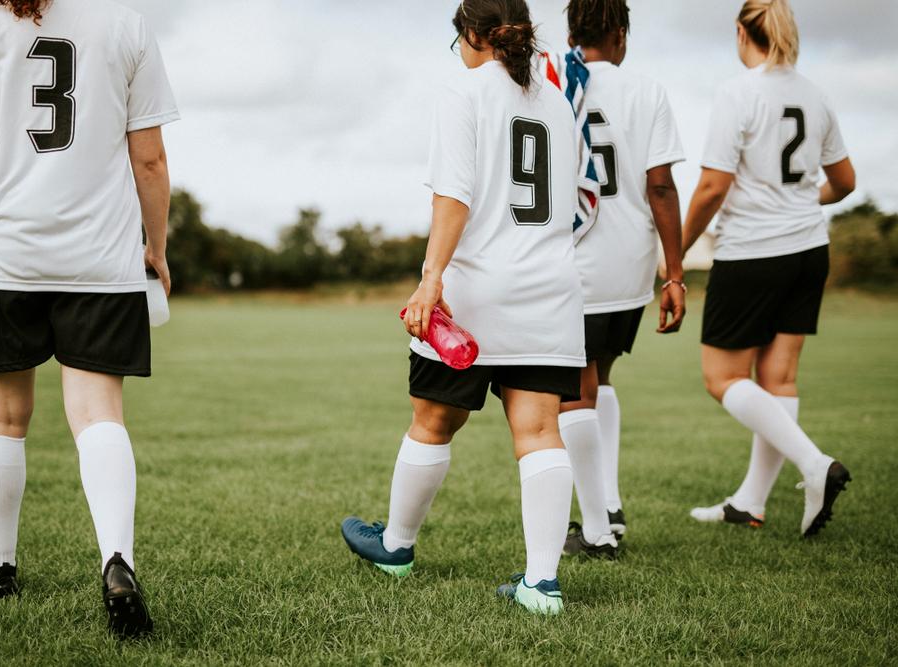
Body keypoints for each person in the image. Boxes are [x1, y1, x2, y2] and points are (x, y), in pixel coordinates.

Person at [0, 0, 179, 637]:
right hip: (102, 259)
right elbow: (149, 158)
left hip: (11, 254)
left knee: (3, 416)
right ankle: (117, 560)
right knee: (99, 416)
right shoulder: (124, 19)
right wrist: (154, 247)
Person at [340, 0, 585, 615]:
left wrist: (430, 277)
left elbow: (453, 195)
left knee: (432, 420)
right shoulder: (557, 101)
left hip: (477, 292)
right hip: (550, 290)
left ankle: (396, 546)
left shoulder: (463, 90)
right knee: (540, 431)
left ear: (473, 34)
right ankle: (542, 584)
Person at [682, 0, 855, 536]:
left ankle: (814, 465)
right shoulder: (816, 94)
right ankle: (750, 503)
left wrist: (675, 251)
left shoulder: (739, 92)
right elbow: (844, 182)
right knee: (778, 378)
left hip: (753, 253)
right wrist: (798, 203)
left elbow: (712, 186)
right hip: (808, 251)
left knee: (722, 377)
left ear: (741, 32)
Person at [545, 0, 686, 558]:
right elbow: (660, 187)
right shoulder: (646, 90)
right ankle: (610, 505)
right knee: (599, 379)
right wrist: (674, 273)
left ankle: (599, 531)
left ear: (574, 31)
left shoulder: (552, 81)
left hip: (574, 258)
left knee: (572, 393)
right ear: (621, 34)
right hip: (629, 262)